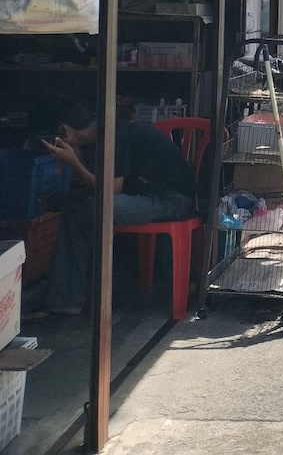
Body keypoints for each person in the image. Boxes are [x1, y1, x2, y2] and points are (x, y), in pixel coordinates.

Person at [24, 99, 197, 320]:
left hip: (171, 201)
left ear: (63, 131)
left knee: (92, 207)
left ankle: (64, 299)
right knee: (76, 207)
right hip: (142, 195)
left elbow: (109, 194)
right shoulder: (97, 139)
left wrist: (73, 163)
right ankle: (64, 301)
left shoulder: (115, 136)